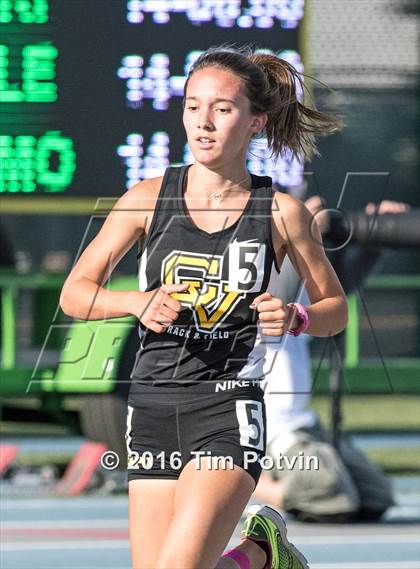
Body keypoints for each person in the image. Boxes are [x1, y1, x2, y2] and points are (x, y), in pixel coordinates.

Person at [60, 45, 348, 569]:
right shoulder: (147, 198)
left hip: (227, 408)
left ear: (256, 121)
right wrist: (134, 302)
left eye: (222, 108)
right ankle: (261, 556)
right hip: (150, 407)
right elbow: (75, 294)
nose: (203, 121)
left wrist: (298, 317)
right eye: (193, 106)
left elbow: (335, 308)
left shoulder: (281, 213)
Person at [253, 198, 409, 523]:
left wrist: (373, 238)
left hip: (305, 424)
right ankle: (244, 484)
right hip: (272, 433)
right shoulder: (259, 289)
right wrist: (305, 227)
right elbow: (278, 278)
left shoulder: (297, 297)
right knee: (332, 499)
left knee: (376, 497)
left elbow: (342, 286)